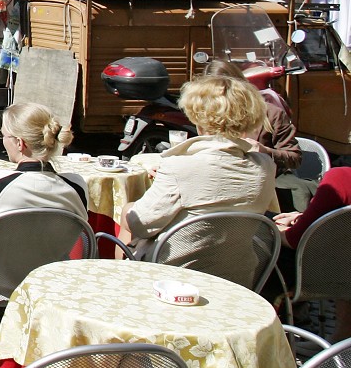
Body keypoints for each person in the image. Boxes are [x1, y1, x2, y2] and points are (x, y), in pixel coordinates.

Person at [121, 75, 279, 260]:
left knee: (128, 214)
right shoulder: (265, 165)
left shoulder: (178, 166)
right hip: (237, 275)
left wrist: (127, 209)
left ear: (196, 115)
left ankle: (118, 283)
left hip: (174, 275)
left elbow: (141, 224)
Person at [0, 103, 88, 230]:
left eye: (3, 135)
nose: (2, 140)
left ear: (20, 143)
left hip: (0, 250)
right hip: (57, 251)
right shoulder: (77, 186)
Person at [274, 166, 351, 342]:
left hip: (324, 277)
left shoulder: (341, 178)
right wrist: (303, 217)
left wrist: (271, 228)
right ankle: (337, 344)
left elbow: (294, 240)